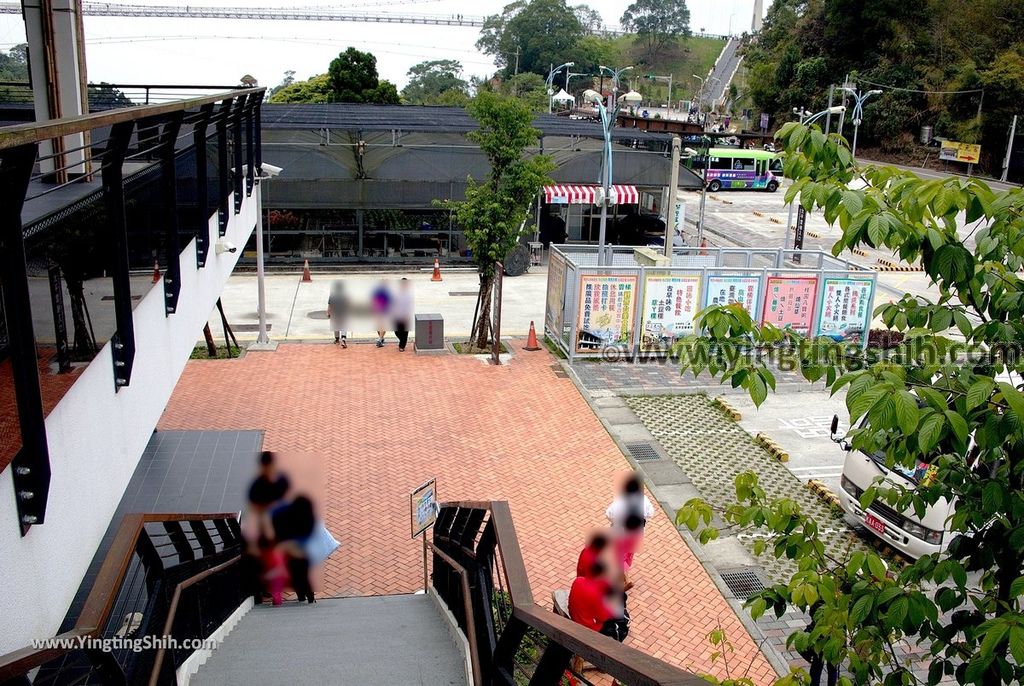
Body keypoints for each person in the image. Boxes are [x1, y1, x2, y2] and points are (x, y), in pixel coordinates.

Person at [271, 495, 317, 603]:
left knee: (295, 573)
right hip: (298, 549)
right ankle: (310, 597)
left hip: (290, 549)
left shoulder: (284, 514)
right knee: (303, 574)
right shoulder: (305, 517)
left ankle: (302, 596)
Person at [391, 278, 414, 352]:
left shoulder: (408, 295)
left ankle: (402, 346)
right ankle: (402, 340)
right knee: (397, 331)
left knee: (404, 331)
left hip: (405, 315)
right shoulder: (396, 294)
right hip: (397, 315)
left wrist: (407, 315)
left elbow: (408, 306)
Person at [327, 280, 349, 347]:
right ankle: (343, 338)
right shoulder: (345, 295)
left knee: (336, 326)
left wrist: (328, 313)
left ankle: (337, 339)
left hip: (335, 313)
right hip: (343, 312)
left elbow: (330, 305)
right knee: (343, 326)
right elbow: (347, 304)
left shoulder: (332, 296)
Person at [371, 280, 392, 348]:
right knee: (382, 326)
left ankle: (381, 338)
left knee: (379, 326)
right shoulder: (386, 292)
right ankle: (380, 339)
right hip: (383, 310)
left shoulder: (377, 291)